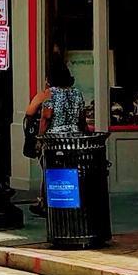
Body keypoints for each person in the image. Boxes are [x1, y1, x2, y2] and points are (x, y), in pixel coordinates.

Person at [25, 59, 87, 215]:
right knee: (72, 169)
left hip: (55, 139)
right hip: (74, 138)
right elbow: (81, 118)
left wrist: (40, 139)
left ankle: (45, 203)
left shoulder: (49, 94)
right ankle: (71, 200)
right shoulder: (77, 93)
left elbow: (42, 116)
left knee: (49, 170)